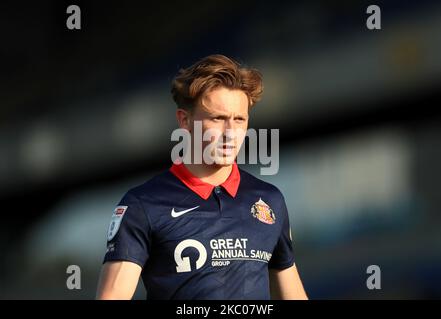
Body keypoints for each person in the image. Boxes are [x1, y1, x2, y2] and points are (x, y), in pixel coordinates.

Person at [96, 54, 308, 300]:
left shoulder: (270, 201)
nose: (231, 133)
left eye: (239, 119)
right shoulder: (142, 205)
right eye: (218, 119)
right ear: (184, 121)